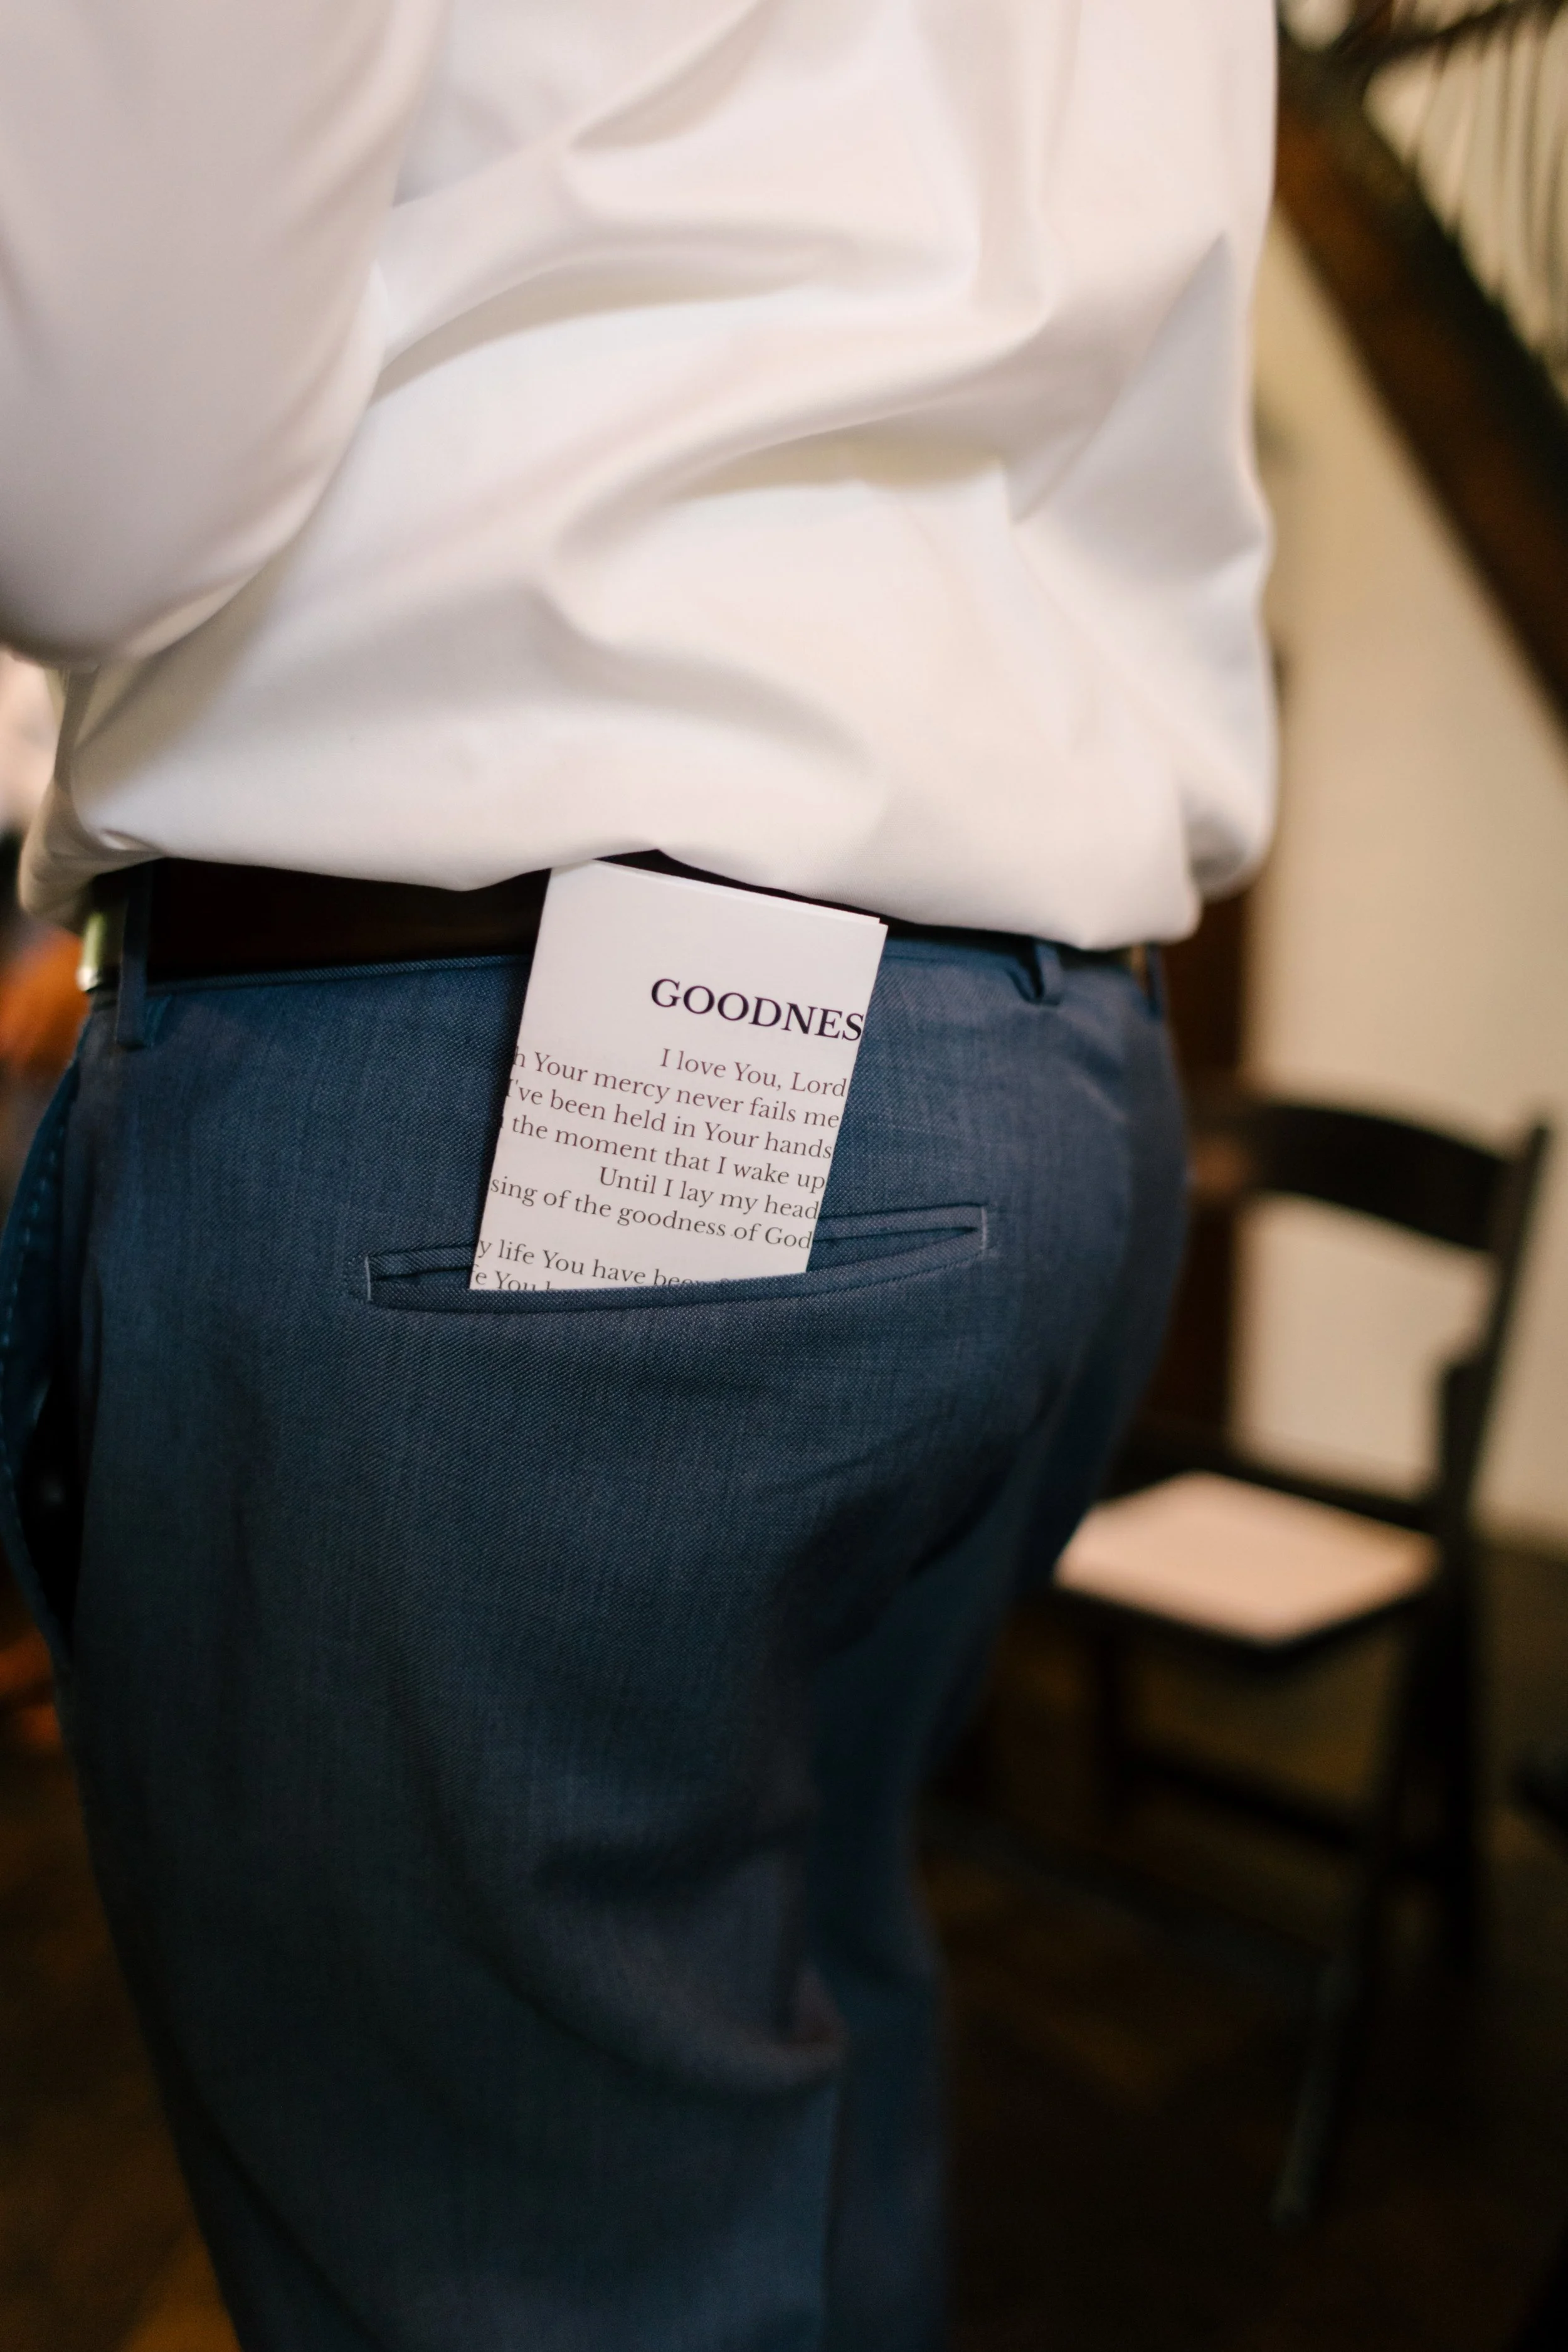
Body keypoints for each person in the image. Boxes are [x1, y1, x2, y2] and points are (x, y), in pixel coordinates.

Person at [0, 5, 1277, 2346]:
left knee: (525, 2230)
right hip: (1038, 1066)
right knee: (796, 1971)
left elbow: (86, 488)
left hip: (464, 1064)